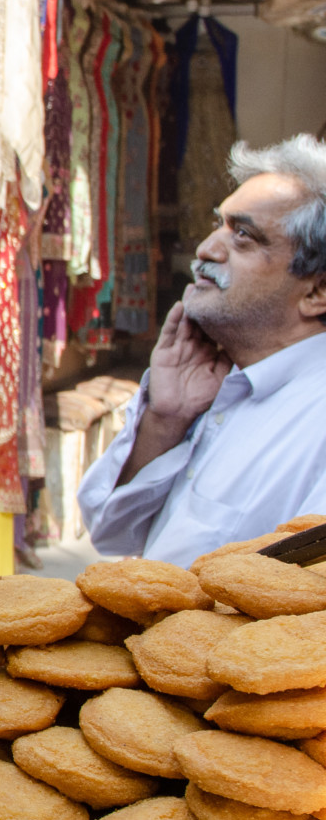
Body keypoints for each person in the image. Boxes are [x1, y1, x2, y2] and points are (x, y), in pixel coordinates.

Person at [79, 137, 326, 563]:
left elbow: (299, 615)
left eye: (243, 236)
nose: (207, 249)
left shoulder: (315, 422)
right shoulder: (218, 382)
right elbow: (109, 532)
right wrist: (163, 421)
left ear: (317, 291)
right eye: (220, 225)